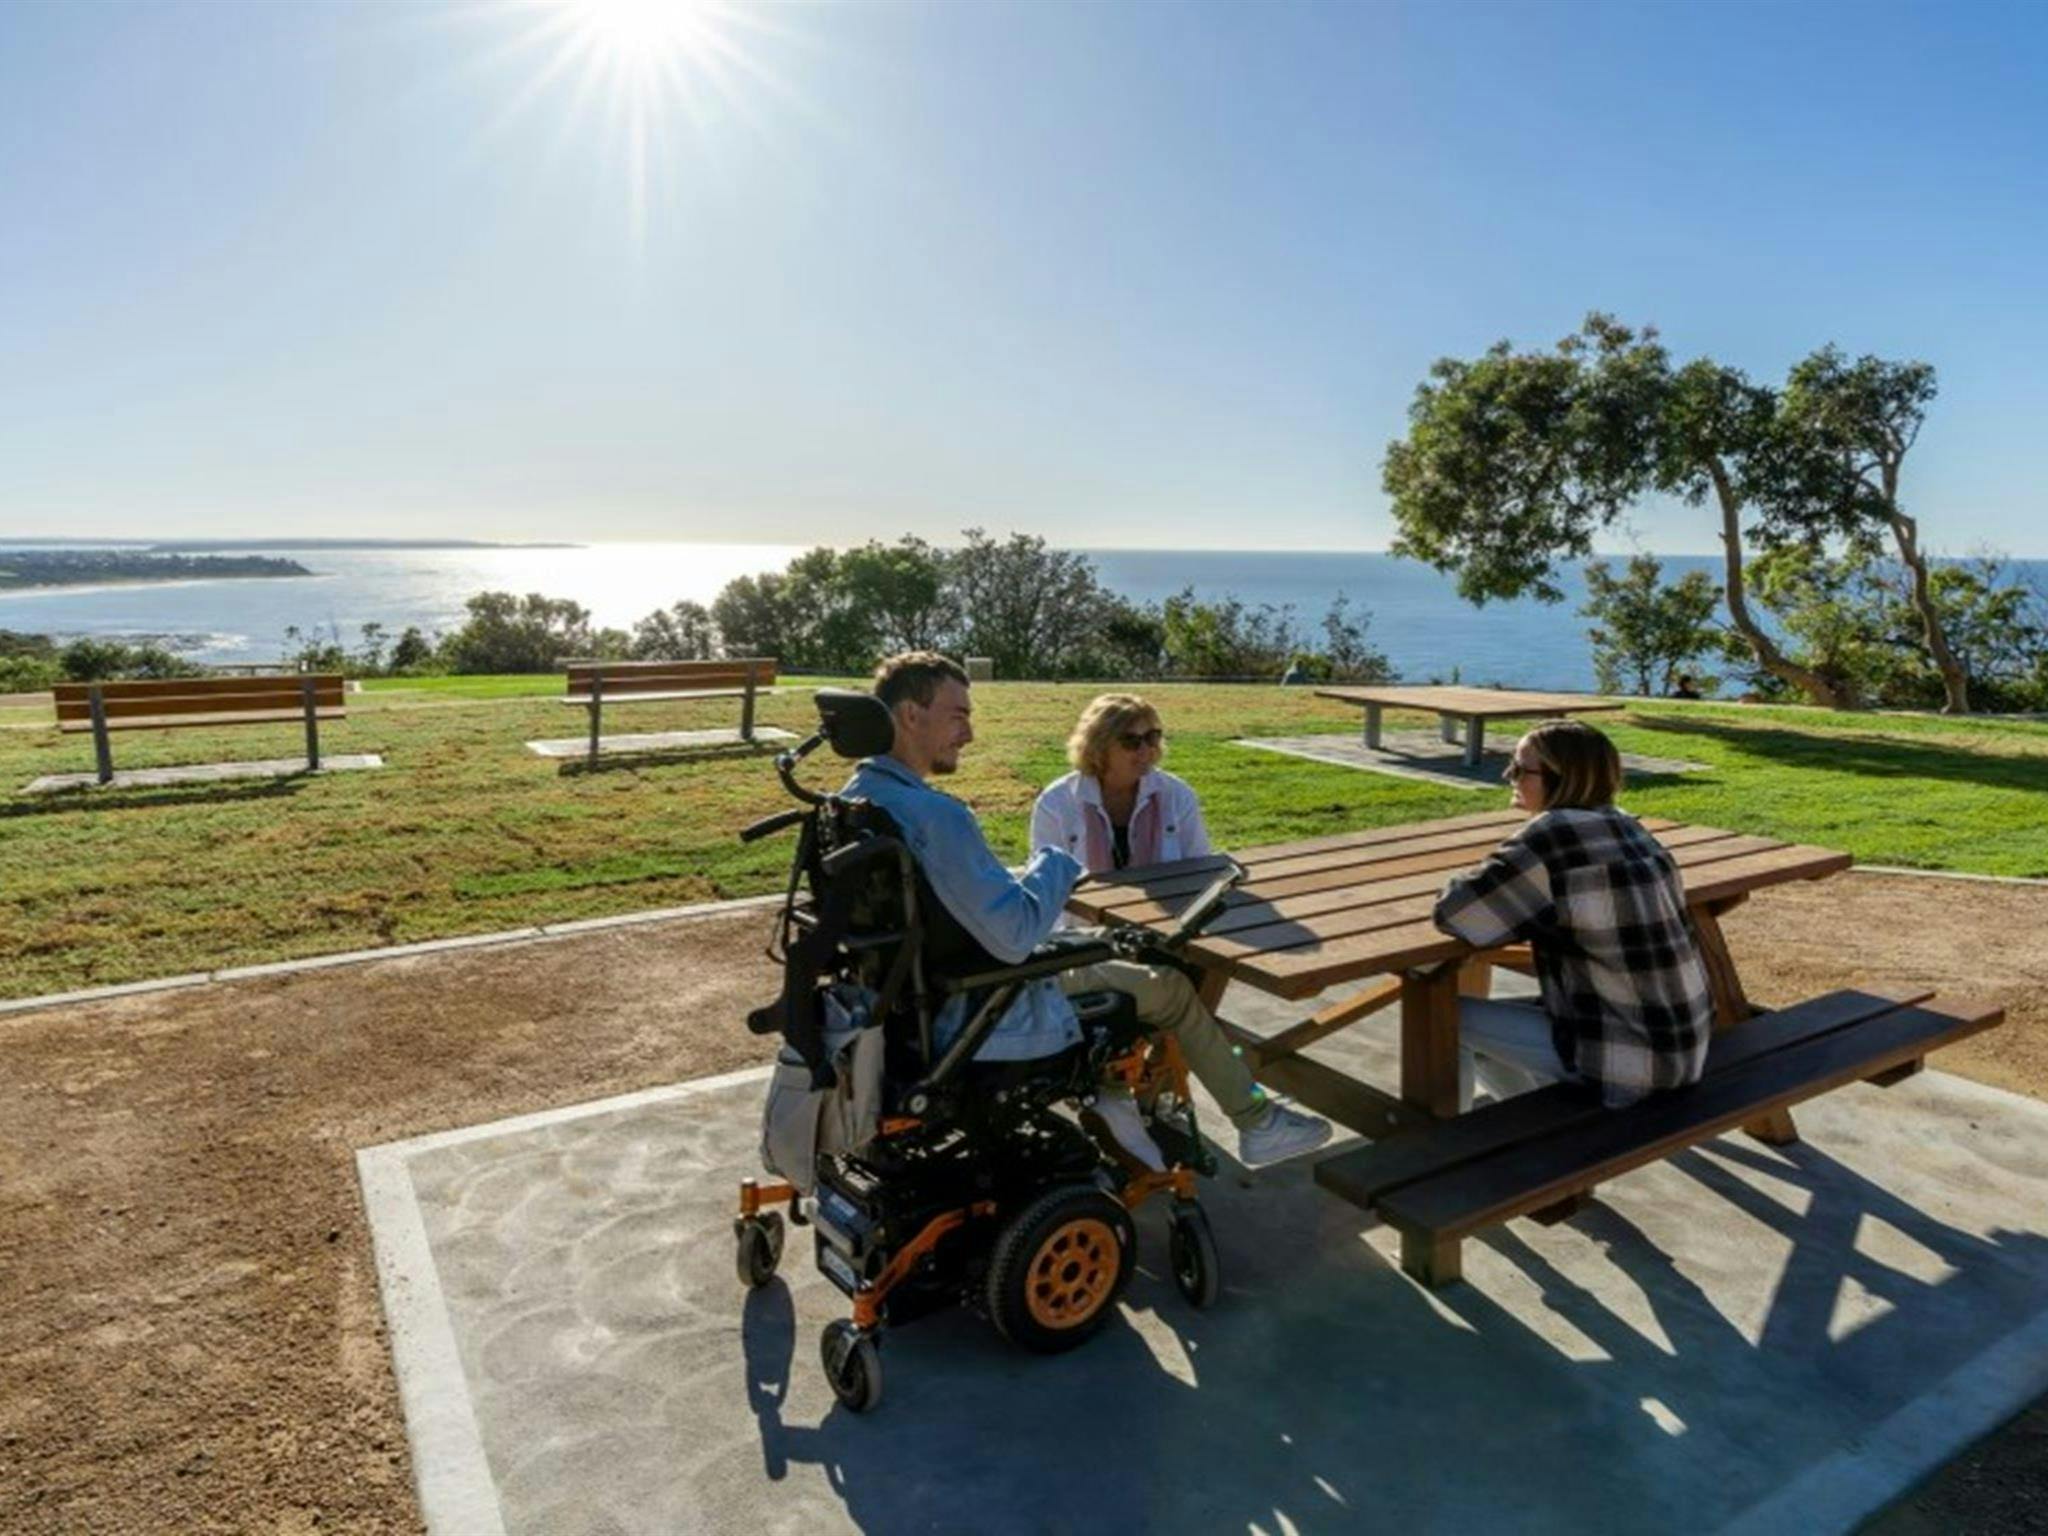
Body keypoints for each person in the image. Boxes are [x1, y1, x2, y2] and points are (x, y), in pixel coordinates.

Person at [846, 656, 1329, 1168]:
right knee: (1170, 988)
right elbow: (1015, 935)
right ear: (910, 715)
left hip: (922, 992)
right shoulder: (937, 814)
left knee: (1138, 961)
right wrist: (1055, 865)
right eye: (958, 715)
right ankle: (1253, 1123)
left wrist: (1021, 881)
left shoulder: (858, 798)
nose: (968, 733)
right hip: (990, 988)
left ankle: (1126, 1096)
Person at [1030, 692, 1330, 1168]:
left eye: (1154, 737)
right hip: (1085, 942)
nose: (1146, 750)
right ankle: (1183, 1103)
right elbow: (1047, 897)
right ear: (1099, 746)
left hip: (1165, 935)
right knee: (1176, 995)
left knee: (1193, 977)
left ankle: (1142, 1096)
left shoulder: (1175, 795)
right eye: (1132, 740)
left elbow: (1202, 873)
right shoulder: (1058, 802)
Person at [1431, 720, 1714, 1111]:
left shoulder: (1554, 834)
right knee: (1488, 1033)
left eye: (1519, 769)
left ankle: (1445, 1151)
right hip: (1679, 1045)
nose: (1507, 775)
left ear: (1561, 778)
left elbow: (1459, 915)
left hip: (1629, 1061)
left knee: (1439, 1018)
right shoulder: (1629, 826)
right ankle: (1523, 1130)